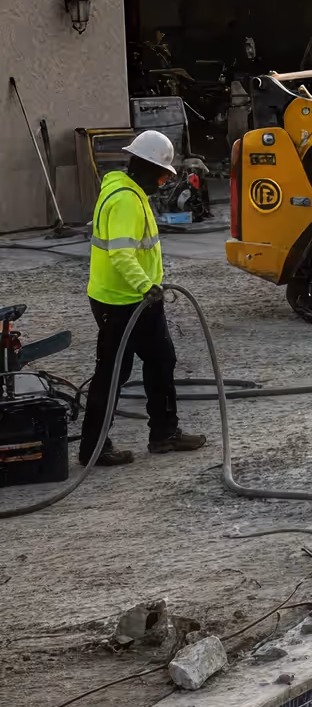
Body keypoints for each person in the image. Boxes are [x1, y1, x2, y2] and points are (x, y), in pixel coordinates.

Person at [80, 130, 207, 467]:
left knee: (161, 361)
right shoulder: (125, 200)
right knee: (113, 373)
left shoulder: (127, 192)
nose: (164, 182)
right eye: (163, 174)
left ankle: (164, 433)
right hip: (123, 301)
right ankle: (94, 448)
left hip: (134, 299)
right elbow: (122, 255)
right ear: (147, 168)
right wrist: (145, 286)